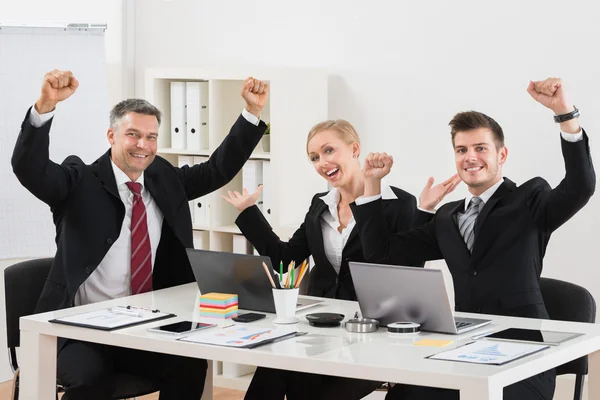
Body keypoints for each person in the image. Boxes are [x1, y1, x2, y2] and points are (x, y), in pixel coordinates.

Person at [11, 69, 269, 400]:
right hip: (81, 330)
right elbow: (29, 168)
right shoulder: (78, 182)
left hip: (145, 327)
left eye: (151, 137)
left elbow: (217, 169)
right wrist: (45, 106)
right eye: (133, 134)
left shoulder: (162, 177)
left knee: (189, 366)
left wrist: (252, 113)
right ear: (111, 136)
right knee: (91, 381)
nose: (142, 146)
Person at [350, 77, 595, 400]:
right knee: (403, 396)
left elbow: (580, 186)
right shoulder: (447, 217)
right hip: (463, 350)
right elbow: (383, 256)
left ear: (502, 154)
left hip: (522, 357)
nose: (470, 157)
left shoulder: (530, 199)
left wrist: (565, 115)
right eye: (461, 150)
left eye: (481, 148)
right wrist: (372, 185)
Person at [223, 118, 460, 400]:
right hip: (320, 327)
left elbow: (405, 273)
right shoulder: (319, 205)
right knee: (274, 367)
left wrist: (423, 212)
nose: (322, 162)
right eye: (314, 157)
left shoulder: (400, 204)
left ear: (355, 149)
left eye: (329, 150)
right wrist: (249, 212)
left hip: (373, 335)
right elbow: (285, 259)